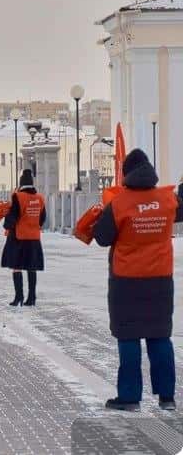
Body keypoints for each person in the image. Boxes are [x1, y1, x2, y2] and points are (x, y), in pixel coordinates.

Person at [93, 149, 183, 412]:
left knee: (128, 336)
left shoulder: (119, 203)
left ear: (126, 174)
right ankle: (167, 397)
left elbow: (102, 238)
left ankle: (130, 397)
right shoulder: (168, 200)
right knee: (159, 335)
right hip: (160, 281)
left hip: (126, 281)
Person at [1, 169, 46, 307]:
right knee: (31, 267)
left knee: (17, 266)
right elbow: (42, 218)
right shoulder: (40, 198)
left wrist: (7, 223)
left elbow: (12, 217)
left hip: (18, 237)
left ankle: (19, 297)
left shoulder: (18, 197)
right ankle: (31, 297)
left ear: (21, 183)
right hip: (34, 238)